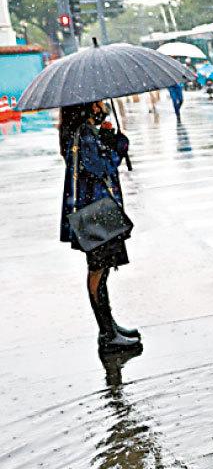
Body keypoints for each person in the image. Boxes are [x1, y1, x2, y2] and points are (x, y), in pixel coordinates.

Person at [59, 101, 141, 353]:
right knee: (98, 269)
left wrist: (104, 136)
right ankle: (107, 334)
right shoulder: (82, 133)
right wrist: (117, 145)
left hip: (95, 207)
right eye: (97, 102)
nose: (101, 105)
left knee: (102, 270)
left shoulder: (82, 130)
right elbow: (99, 167)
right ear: (85, 107)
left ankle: (110, 326)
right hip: (94, 210)